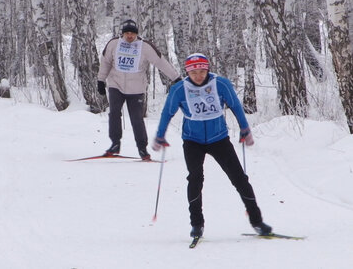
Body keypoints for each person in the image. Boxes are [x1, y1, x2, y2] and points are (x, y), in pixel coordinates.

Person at [152, 53, 272, 238]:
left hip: (219, 139)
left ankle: (257, 221)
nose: (198, 76)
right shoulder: (179, 89)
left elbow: (235, 106)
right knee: (195, 179)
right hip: (192, 141)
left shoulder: (220, 84)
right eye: (194, 72)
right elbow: (167, 113)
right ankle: (197, 224)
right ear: (187, 72)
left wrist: (244, 128)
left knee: (239, 179)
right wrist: (160, 135)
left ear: (207, 69)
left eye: (202, 71)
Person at [97, 19, 181, 160]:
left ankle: (142, 148)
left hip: (136, 89)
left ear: (137, 34)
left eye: (133, 34)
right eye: (127, 33)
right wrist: (100, 80)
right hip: (115, 85)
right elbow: (105, 62)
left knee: (137, 119)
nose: (130, 36)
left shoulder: (144, 46)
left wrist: (176, 78)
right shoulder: (114, 44)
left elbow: (160, 62)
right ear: (123, 33)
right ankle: (115, 144)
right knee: (114, 113)